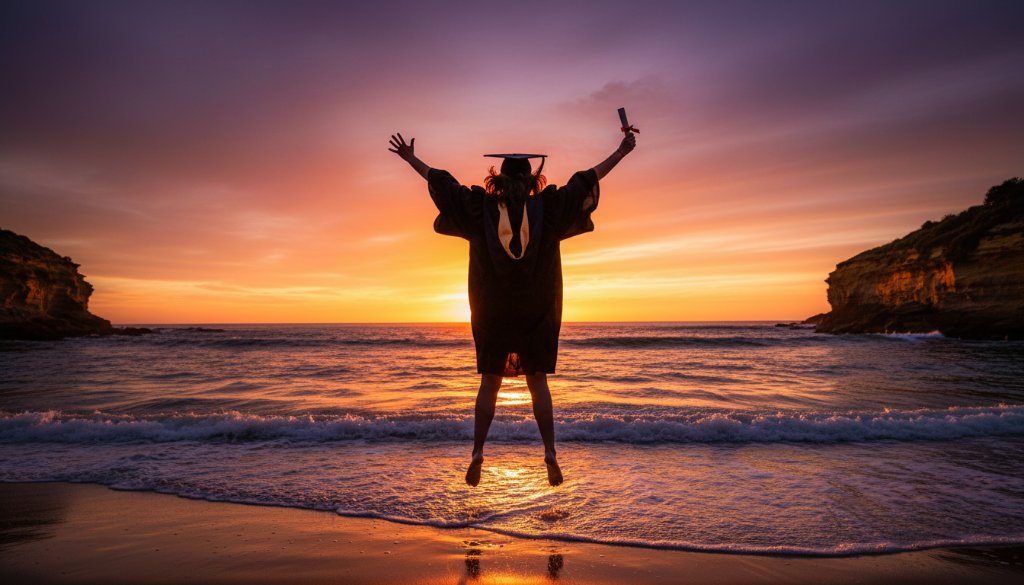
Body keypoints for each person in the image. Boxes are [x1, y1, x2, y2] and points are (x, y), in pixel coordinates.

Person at [388, 130, 636, 486]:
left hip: (493, 311)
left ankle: (477, 451)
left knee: (490, 383)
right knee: (538, 383)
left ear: (498, 178)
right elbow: (586, 180)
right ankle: (550, 451)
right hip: (536, 311)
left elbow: (444, 184)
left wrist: (411, 159)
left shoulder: (479, 209)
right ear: (533, 179)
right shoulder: (549, 209)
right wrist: (621, 151)